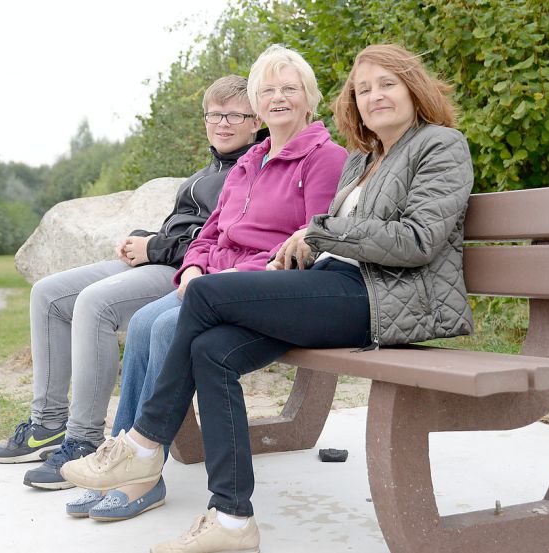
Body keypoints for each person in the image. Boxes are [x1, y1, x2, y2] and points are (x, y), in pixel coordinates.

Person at [61, 43, 476, 553]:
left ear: (415, 89)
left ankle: (144, 443)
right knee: (210, 350)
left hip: (384, 299)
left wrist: (321, 234)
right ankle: (232, 520)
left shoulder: (441, 145)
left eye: (387, 84)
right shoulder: (365, 159)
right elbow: (330, 238)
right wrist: (301, 254)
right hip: (334, 286)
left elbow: (417, 241)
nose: (374, 96)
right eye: (364, 88)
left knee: (206, 295)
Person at [66, 44, 348, 522]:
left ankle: (141, 475)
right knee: (141, 327)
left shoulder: (323, 158)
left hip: (262, 289)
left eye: (289, 88)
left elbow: (312, 245)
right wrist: (193, 267)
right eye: (268, 89)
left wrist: (243, 276)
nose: (278, 97)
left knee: (160, 330)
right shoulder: (248, 160)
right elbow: (211, 231)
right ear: (257, 102)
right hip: (209, 283)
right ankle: (123, 456)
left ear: (308, 97)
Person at [0, 75, 263, 491]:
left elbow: (221, 241)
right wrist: (146, 239)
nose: (222, 123)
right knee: (48, 294)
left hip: (188, 274)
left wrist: (155, 248)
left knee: (96, 303)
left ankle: (83, 440)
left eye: (234, 115)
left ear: (255, 120)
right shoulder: (210, 169)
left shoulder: (251, 170)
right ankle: (47, 425)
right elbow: (187, 228)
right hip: (161, 259)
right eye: (214, 114)